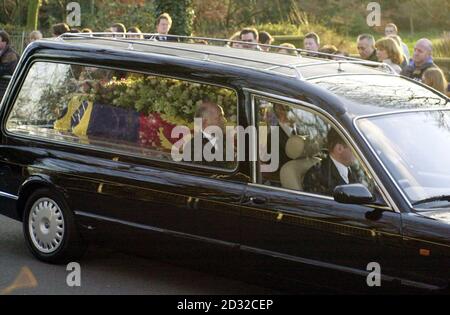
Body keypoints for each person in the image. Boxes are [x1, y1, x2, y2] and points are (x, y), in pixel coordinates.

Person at [303, 128, 358, 196]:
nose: (357, 152)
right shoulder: (317, 176)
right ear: (339, 149)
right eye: (354, 147)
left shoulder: (356, 169)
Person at [184, 101, 228, 166]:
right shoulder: (194, 149)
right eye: (219, 117)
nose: (224, 120)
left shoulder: (223, 140)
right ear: (204, 122)